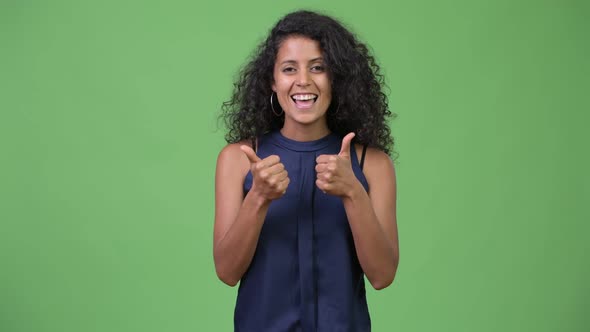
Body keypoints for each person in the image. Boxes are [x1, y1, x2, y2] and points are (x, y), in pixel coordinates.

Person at [214, 10, 399, 331]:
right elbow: (227, 272)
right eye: (289, 69)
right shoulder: (239, 158)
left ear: (336, 78)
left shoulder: (373, 164)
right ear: (273, 81)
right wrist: (258, 197)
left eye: (318, 68)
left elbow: (382, 276)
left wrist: (353, 192)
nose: (303, 80)